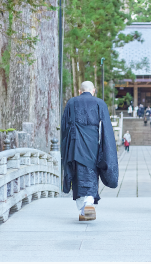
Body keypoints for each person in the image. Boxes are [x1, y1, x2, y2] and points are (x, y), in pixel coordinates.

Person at [61, 81, 119, 221]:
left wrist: (65, 148)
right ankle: (88, 204)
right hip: (93, 145)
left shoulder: (71, 103)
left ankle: (83, 208)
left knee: (77, 175)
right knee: (92, 174)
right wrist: (107, 149)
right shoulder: (100, 103)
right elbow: (106, 129)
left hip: (75, 146)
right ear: (93, 90)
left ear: (80, 91)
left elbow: (64, 128)